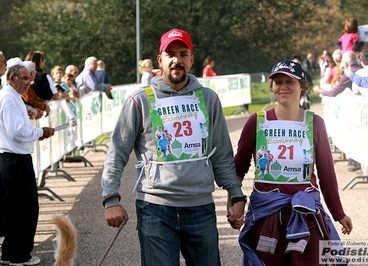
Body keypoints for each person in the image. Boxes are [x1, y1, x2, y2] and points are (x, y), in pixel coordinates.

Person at [101, 28, 246, 266]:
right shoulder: (139, 100)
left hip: (200, 207)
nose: (177, 59)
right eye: (170, 54)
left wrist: (236, 193)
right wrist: (111, 199)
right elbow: (116, 152)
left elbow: (221, 154)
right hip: (155, 208)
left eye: (183, 53)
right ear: (160, 60)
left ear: (192, 59)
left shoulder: (208, 100)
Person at [233, 60, 353, 266]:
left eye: (290, 81)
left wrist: (338, 213)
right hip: (267, 215)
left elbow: (326, 173)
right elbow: (238, 167)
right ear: (271, 87)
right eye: (278, 82)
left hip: (305, 212)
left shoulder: (315, 123)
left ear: (303, 87)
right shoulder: (257, 122)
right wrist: (235, 202)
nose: (283, 87)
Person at [0, 64, 55, 265]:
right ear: (12, 78)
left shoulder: (12, 97)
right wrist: (40, 132)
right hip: (14, 159)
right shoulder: (8, 98)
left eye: (28, 79)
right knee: (25, 209)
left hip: (12, 158)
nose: (27, 83)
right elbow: (16, 131)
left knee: (15, 209)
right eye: (23, 79)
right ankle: (20, 255)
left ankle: (9, 253)